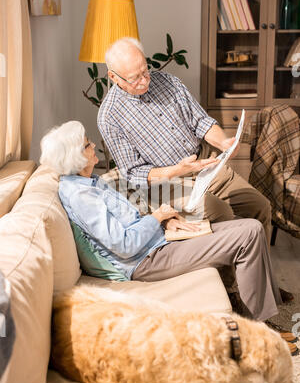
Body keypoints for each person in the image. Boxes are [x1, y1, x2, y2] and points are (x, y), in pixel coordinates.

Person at [40, 121, 289, 336]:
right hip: (146, 261)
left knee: (251, 227)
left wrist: (164, 220)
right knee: (246, 235)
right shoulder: (81, 195)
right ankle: (258, 329)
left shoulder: (89, 182)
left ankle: (262, 314)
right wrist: (156, 217)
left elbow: (129, 220)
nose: (93, 146)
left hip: (159, 242)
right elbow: (123, 246)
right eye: (87, 144)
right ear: (75, 157)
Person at [96, 37, 293, 304]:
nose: (144, 81)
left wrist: (223, 142)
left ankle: (261, 281)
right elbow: (133, 173)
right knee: (222, 213)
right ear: (113, 77)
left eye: (145, 71)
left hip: (206, 165)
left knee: (260, 205)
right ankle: (232, 292)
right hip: (167, 184)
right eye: (134, 78)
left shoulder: (167, 82)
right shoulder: (109, 116)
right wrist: (177, 169)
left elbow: (201, 122)